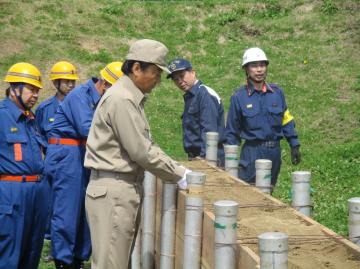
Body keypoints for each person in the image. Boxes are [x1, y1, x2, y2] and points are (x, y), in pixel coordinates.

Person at [84, 39, 191, 269]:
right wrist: (180, 174)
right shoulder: (122, 99)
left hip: (118, 189)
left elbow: (144, 145)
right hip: (114, 191)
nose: (158, 80)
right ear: (136, 68)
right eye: (155, 72)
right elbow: (142, 151)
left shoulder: (128, 97)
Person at [44, 61, 123, 269]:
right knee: (67, 210)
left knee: (86, 209)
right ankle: (64, 260)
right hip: (68, 154)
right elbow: (88, 130)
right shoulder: (80, 96)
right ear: (105, 84)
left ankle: (79, 257)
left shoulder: (101, 99)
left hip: (83, 153)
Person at [225, 47, 301, 187]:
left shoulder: (277, 93)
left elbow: (286, 120)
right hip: (251, 153)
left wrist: (294, 144)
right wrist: (230, 161)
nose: (259, 69)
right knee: (248, 193)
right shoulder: (239, 97)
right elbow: (232, 132)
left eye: (262, 65)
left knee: (269, 193)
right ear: (246, 69)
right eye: (254, 66)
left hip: (274, 152)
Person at [0, 62, 49, 269]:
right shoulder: (2, 116)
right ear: (14, 89)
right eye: (31, 89)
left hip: (36, 193)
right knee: (9, 254)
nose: (36, 95)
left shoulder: (31, 119)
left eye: (37, 90)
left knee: (32, 252)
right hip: (11, 194)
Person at [167, 58, 226, 166]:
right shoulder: (192, 96)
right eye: (175, 79)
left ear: (193, 73)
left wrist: (203, 161)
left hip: (209, 160)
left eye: (182, 76)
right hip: (198, 158)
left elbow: (209, 131)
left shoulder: (205, 95)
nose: (180, 81)